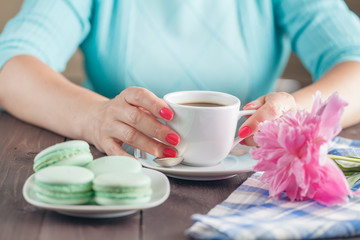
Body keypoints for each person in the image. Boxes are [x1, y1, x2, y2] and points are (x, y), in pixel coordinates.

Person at [0, 0, 360, 159]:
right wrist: (94, 117)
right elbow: (10, 64)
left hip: (245, 179)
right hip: (122, 165)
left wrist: (294, 112)